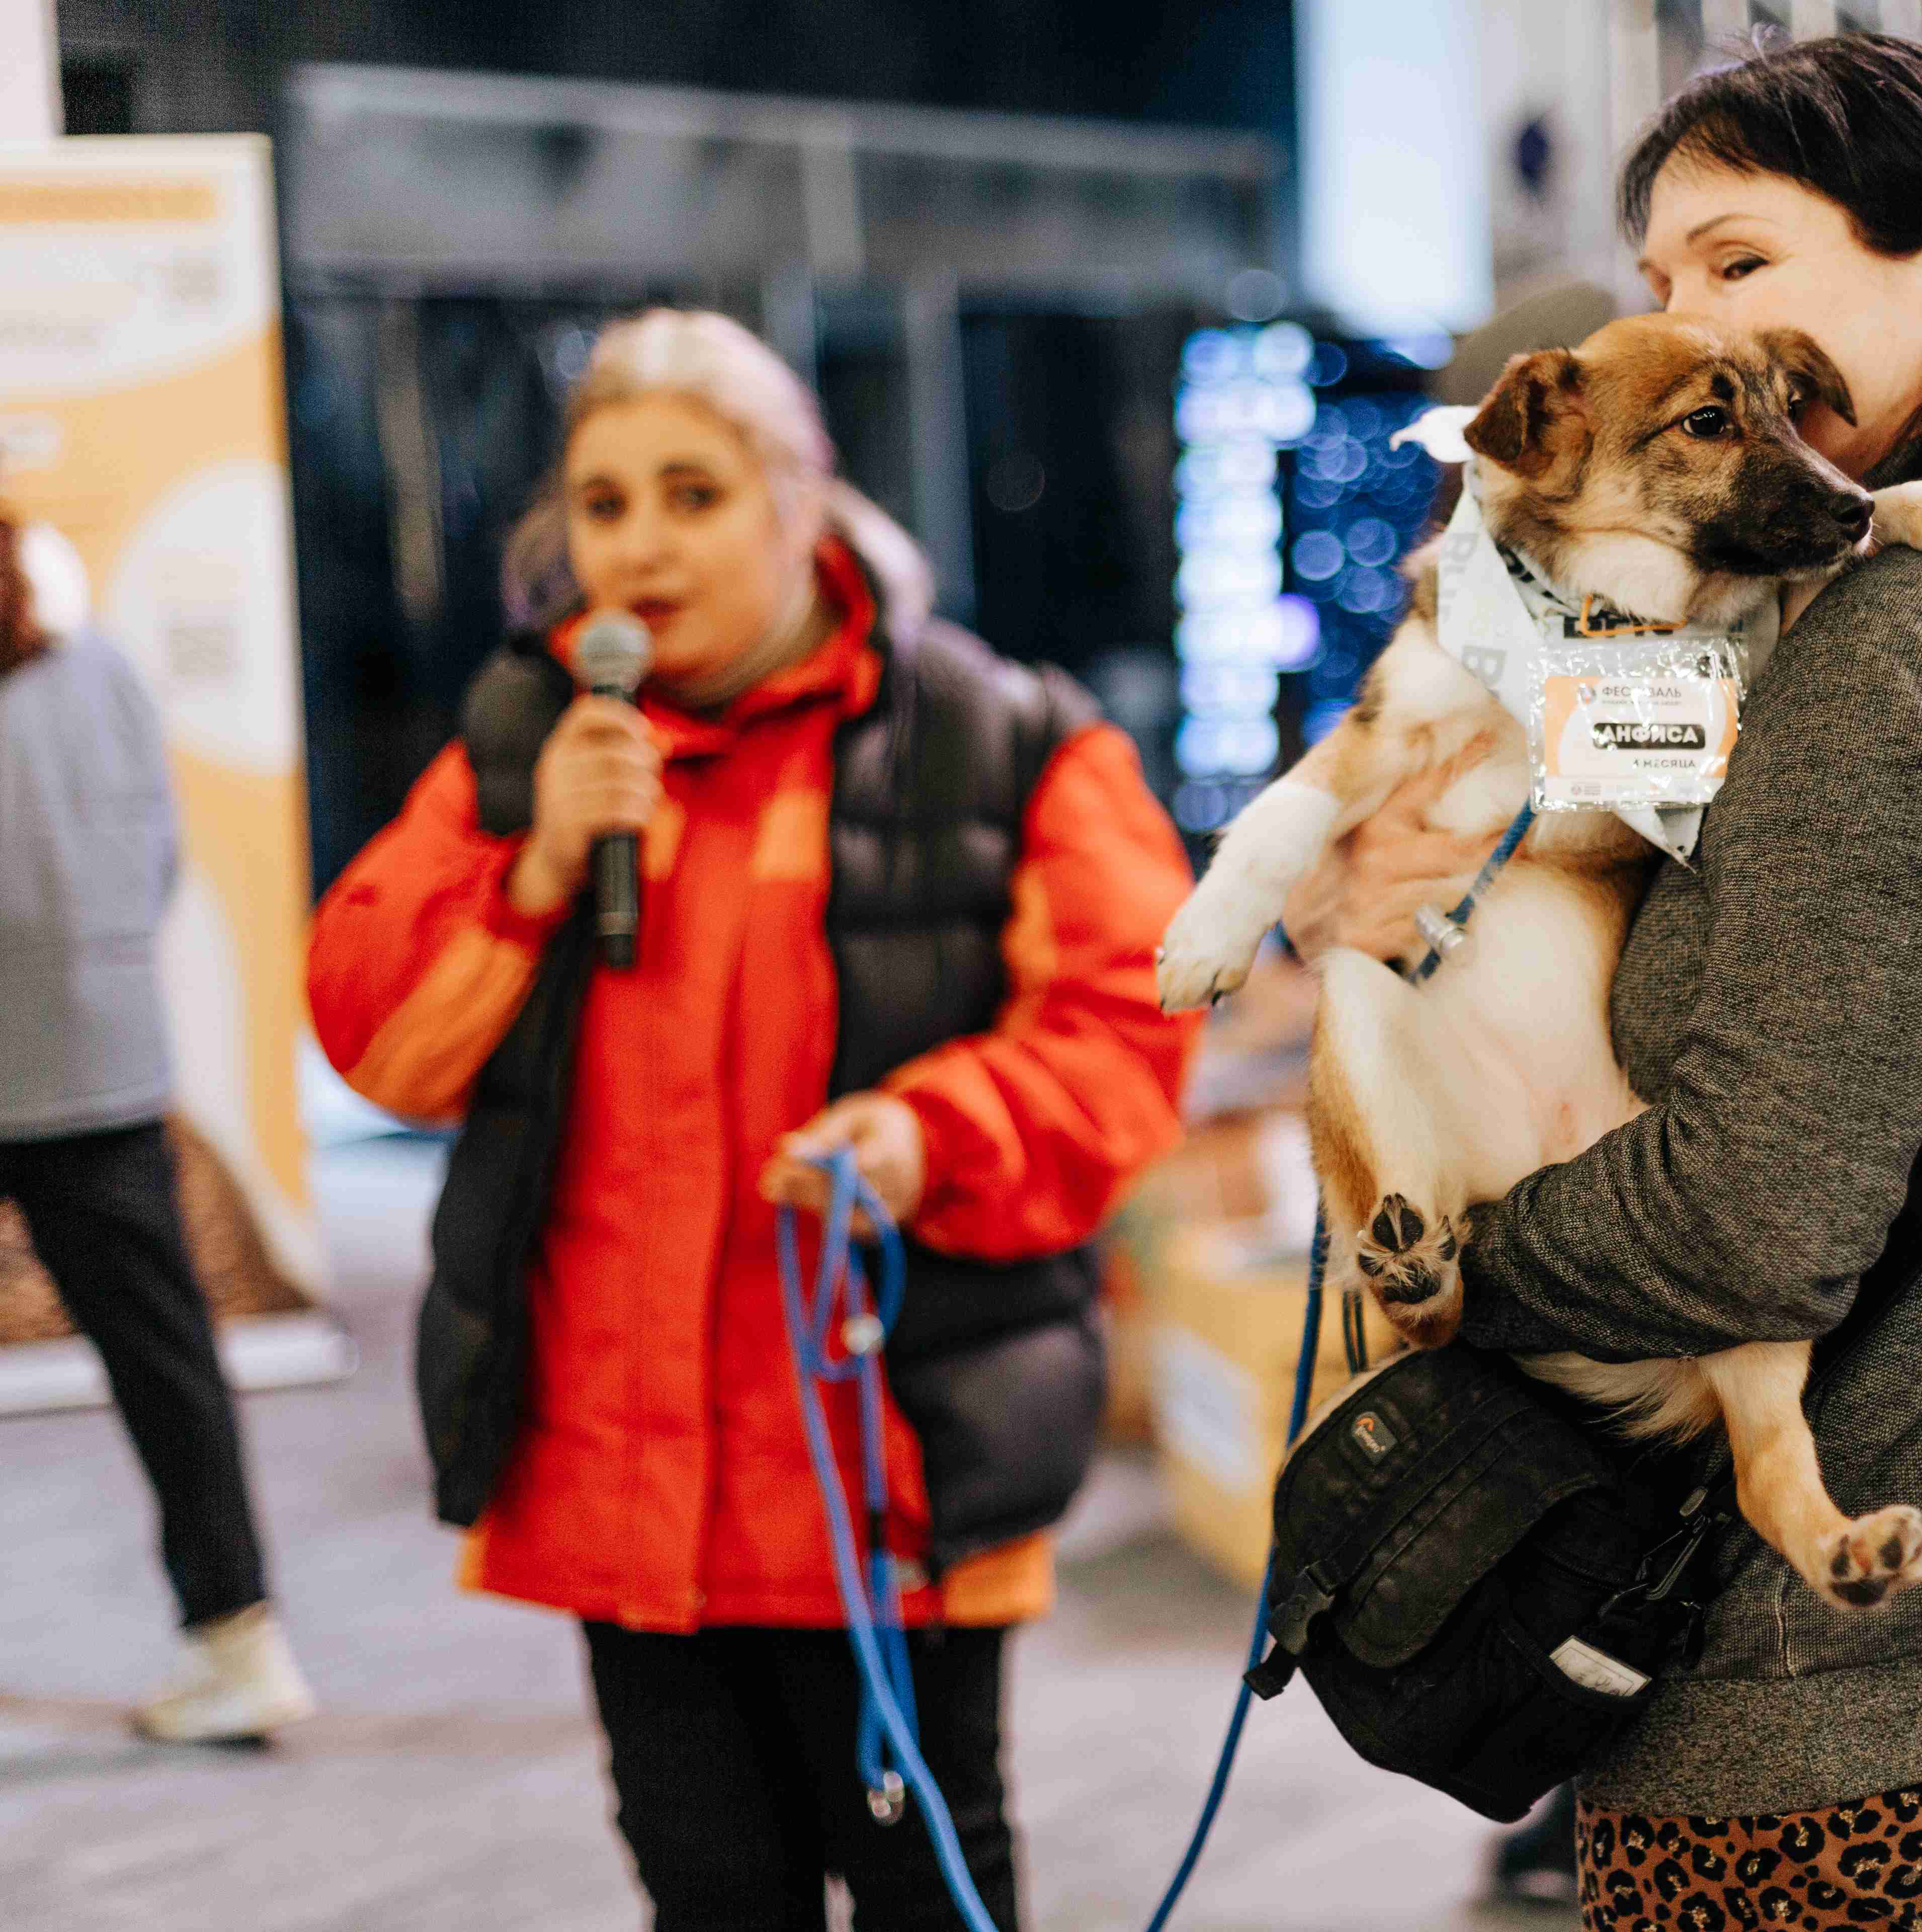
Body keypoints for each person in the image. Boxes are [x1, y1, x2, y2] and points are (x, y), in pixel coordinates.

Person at [1287, 35, 1922, 1931]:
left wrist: (1448, 1262)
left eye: (1739, 261)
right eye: (1665, 285)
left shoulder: (1893, 660)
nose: (1691, 327)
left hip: (1817, 1692)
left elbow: (1749, 1217)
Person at [306, 310, 1198, 1931]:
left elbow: (1125, 1036)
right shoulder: (531, 745)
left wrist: (938, 1133)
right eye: (602, 502)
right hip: (623, 1482)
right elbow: (379, 1048)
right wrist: (534, 874)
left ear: (806, 501)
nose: (639, 545)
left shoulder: (1001, 739)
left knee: (930, 1884)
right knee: (709, 1891)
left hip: (886, 1469)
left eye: (694, 495)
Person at [0, 508, 315, 1743]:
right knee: (170, 1368)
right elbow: (159, 856)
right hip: (107, 1066)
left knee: (167, 1366)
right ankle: (240, 1641)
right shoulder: (106, 672)